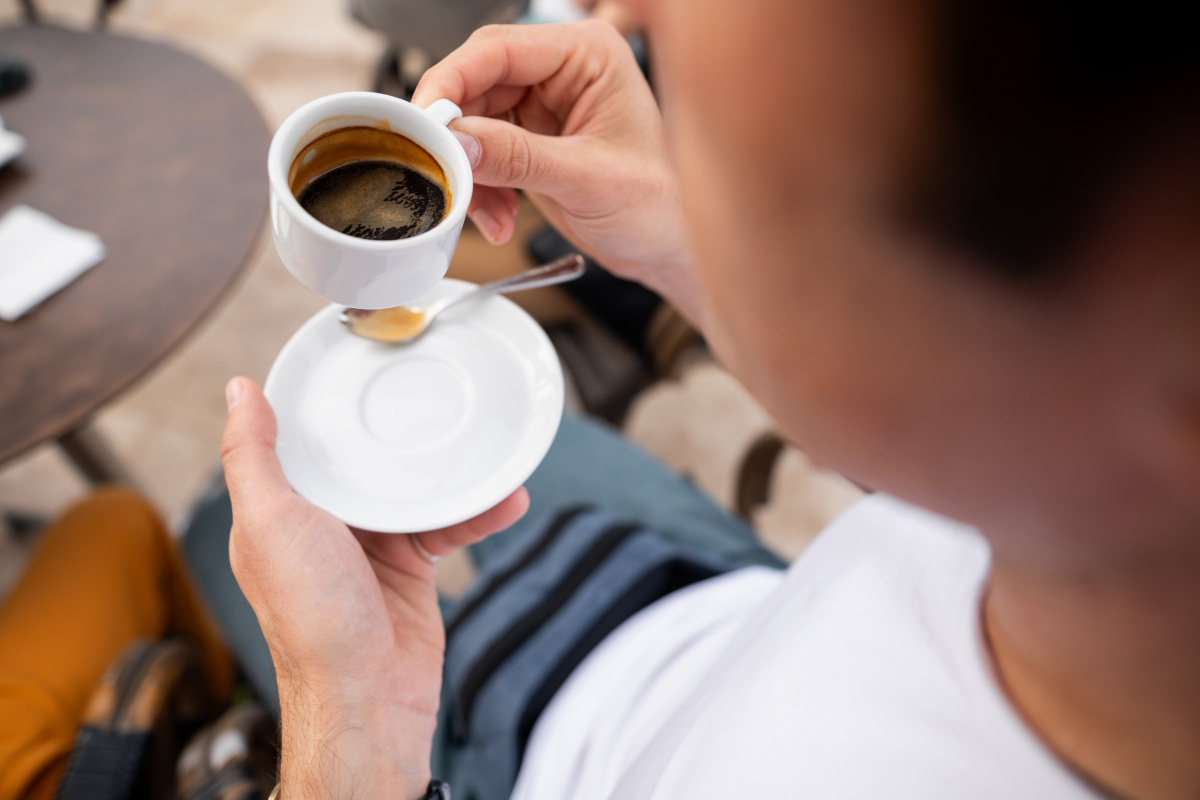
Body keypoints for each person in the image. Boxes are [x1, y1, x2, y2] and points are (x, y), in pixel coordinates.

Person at [219, 3, 1200, 800]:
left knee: (211, 521)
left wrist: (350, 740)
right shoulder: (1092, 494)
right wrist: (684, 235)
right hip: (705, 592)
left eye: (731, 168)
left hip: (514, 752)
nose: (625, 14)